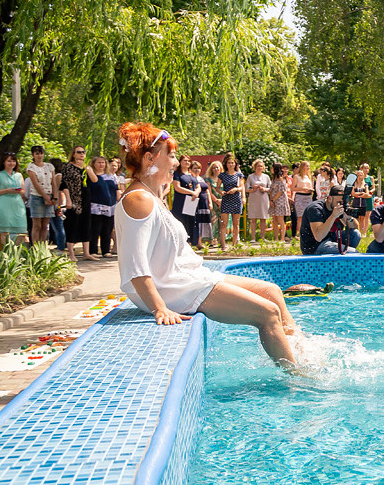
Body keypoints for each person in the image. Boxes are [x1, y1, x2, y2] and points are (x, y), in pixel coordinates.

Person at [114, 123, 299, 368]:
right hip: (174, 288)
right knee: (267, 313)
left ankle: (300, 350)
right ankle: (297, 376)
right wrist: (160, 308)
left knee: (272, 291)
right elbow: (135, 265)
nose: (175, 163)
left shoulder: (150, 195)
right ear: (150, 158)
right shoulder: (138, 199)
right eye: (170, 156)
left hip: (188, 277)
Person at [300, 185, 362, 255]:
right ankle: (345, 255)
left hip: (331, 237)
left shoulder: (338, 207)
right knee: (353, 252)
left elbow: (355, 228)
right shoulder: (315, 209)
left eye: (342, 202)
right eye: (338, 202)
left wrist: (347, 217)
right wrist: (333, 216)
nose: (340, 205)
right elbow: (318, 237)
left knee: (355, 234)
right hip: (315, 246)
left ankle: (342, 257)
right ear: (329, 198)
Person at [0, 152, 27, 251]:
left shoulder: (19, 175)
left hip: (17, 204)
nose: (11, 163)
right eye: (9, 161)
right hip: (4, 203)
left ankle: (15, 251)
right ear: (4, 162)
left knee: (21, 230)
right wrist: (7, 190)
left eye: (13, 161)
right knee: (4, 230)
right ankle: (6, 252)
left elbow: (23, 191)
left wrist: (18, 191)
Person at [59, 145, 91, 261]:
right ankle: (71, 254)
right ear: (73, 154)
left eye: (83, 152)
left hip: (85, 198)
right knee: (72, 225)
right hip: (74, 199)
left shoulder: (86, 167)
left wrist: (88, 169)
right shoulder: (68, 167)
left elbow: (94, 180)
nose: (82, 154)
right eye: (79, 152)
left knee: (86, 225)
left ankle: (86, 253)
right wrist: (68, 199)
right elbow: (64, 184)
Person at [84, 154, 119, 257]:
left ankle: (106, 250)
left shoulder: (111, 176)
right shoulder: (91, 176)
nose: (101, 164)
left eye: (103, 162)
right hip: (96, 207)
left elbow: (116, 190)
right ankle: (93, 251)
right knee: (95, 229)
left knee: (107, 229)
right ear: (94, 164)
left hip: (110, 206)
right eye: (99, 162)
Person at [25, 145, 56, 244]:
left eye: (41, 153)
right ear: (33, 155)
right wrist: (45, 196)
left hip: (50, 195)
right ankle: (35, 247)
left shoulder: (49, 166)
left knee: (45, 224)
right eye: (37, 154)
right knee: (37, 224)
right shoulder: (31, 167)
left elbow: (54, 182)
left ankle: (43, 247)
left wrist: (54, 197)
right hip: (37, 197)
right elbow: (35, 184)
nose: (39, 156)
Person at [170, 155, 201, 249]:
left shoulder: (192, 174)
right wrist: (191, 192)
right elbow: (177, 187)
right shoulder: (177, 174)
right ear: (180, 162)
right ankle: (180, 244)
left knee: (191, 222)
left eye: (188, 161)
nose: (187, 162)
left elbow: (198, 186)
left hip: (191, 202)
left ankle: (190, 244)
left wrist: (196, 193)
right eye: (184, 161)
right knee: (181, 222)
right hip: (181, 202)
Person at [219, 153, 245, 247]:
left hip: (236, 199)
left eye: (232, 163)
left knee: (236, 224)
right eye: (229, 163)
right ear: (226, 164)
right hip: (226, 199)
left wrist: (236, 189)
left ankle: (234, 245)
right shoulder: (222, 175)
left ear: (235, 164)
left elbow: (242, 187)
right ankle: (223, 245)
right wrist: (221, 192)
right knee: (223, 223)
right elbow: (217, 187)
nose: (231, 164)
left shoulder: (239, 175)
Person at [246, 159, 271, 243]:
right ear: (254, 167)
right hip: (253, 198)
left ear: (263, 167)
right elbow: (246, 188)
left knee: (263, 218)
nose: (259, 168)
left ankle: (263, 237)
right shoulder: (250, 177)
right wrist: (253, 188)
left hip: (263, 198)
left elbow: (271, 188)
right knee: (253, 218)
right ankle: (253, 238)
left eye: (261, 166)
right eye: (258, 166)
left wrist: (264, 189)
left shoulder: (266, 177)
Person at [190, 161, 212, 250]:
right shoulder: (190, 179)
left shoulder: (202, 179)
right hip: (195, 203)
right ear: (191, 169)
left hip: (204, 203)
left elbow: (207, 191)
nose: (197, 170)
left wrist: (210, 202)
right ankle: (195, 242)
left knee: (203, 222)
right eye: (194, 168)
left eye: (198, 168)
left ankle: (201, 241)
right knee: (197, 222)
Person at [269, 163, 291, 244]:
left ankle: (282, 238)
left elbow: (280, 191)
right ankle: (275, 238)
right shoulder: (274, 179)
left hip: (280, 201)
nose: (271, 169)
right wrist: (271, 200)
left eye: (272, 168)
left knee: (280, 219)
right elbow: (271, 190)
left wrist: (273, 200)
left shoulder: (281, 179)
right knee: (274, 219)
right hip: (273, 200)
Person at [346, 166, 373, 233]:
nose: (359, 177)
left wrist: (359, 194)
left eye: (361, 175)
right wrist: (361, 193)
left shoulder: (365, 184)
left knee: (362, 218)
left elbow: (367, 193)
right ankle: (356, 231)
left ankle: (363, 232)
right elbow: (353, 193)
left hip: (363, 203)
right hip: (356, 203)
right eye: (358, 175)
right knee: (356, 218)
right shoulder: (354, 184)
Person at [205, 161, 225, 248]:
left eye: (217, 167)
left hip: (224, 201)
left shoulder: (224, 178)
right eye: (214, 168)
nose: (216, 169)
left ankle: (222, 240)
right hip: (213, 202)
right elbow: (208, 192)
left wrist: (222, 200)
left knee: (223, 221)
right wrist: (216, 200)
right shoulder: (208, 179)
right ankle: (212, 240)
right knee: (213, 221)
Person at [291, 160, 314, 237]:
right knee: (300, 217)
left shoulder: (308, 176)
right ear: (303, 166)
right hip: (300, 197)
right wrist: (302, 188)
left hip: (308, 197)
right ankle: (301, 235)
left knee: (308, 217)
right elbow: (293, 188)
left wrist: (310, 189)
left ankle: (308, 233)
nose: (308, 168)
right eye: (307, 166)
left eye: (308, 166)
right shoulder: (297, 176)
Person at [49, 157, 66, 251]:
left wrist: (58, 206)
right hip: (56, 203)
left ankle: (61, 246)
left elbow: (58, 191)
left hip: (58, 204)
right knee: (57, 226)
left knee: (58, 226)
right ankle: (61, 244)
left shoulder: (58, 176)